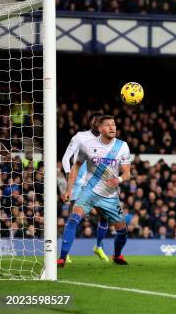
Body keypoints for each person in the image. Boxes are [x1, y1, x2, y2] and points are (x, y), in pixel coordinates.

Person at [58, 115, 131, 267]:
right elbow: (76, 166)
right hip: (90, 191)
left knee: (122, 231)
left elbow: (127, 173)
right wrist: (69, 189)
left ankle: (117, 255)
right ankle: (62, 258)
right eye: (108, 125)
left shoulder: (122, 146)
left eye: (114, 124)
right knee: (73, 219)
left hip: (110, 195)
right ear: (100, 128)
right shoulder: (87, 145)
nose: (112, 127)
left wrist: (119, 179)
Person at [61, 111, 111, 263]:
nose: (98, 124)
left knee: (104, 217)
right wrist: (71, 176)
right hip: (78, 185)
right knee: (74, 219)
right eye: (96, 121)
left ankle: (98, 247)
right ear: (91, 122)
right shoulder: (80, 137)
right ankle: (65, 253)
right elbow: (65, 158)